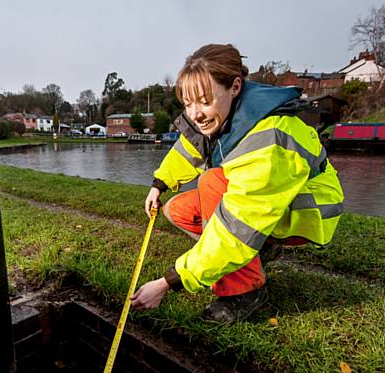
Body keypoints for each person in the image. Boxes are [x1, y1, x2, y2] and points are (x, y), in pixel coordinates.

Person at [130, 44, 344, 322]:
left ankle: (245, 292)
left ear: (235, 86)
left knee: (211, 184)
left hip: (306, 211)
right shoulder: (221, 117)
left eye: (205, 101)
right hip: (265, 207)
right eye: (188, 104)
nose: (195, 114)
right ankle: (261, 250)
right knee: (178, 209)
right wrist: (158, 184)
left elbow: (235, 229)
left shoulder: (269, 136)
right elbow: (188, 149)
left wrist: (168, 282)